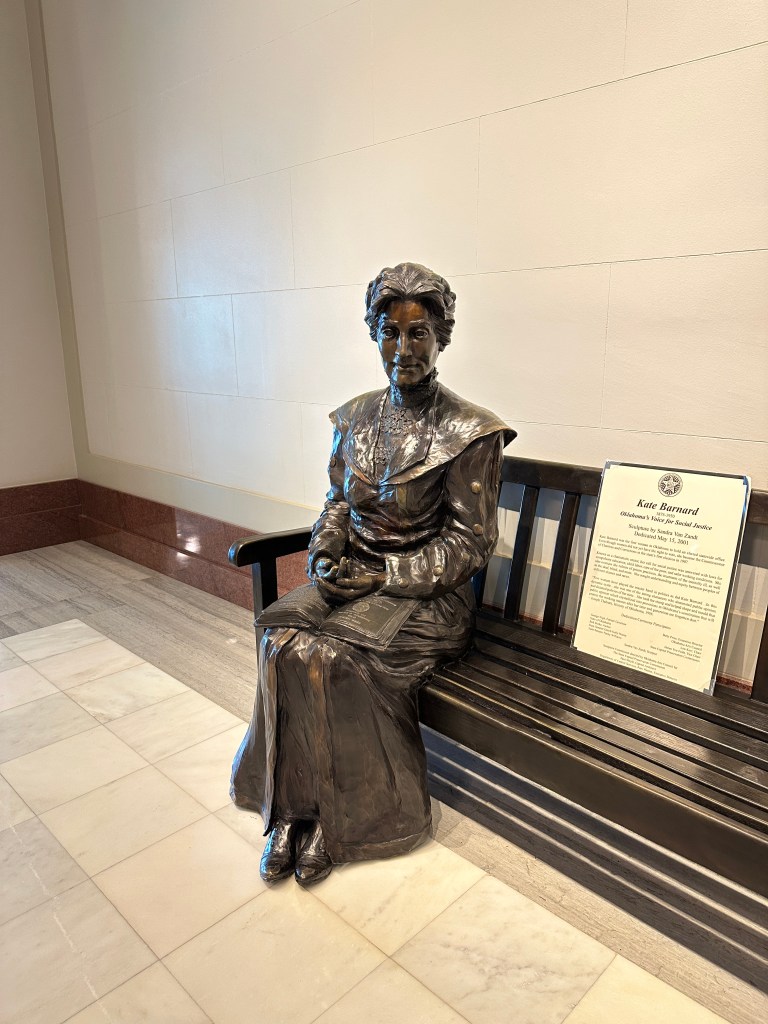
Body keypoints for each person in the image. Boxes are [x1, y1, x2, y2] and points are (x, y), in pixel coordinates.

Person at [231, 262, 515, 885]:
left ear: (443, 336)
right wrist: (325, 553)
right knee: (281, 643)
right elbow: (335, 503)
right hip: (354, 578)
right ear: (373, 334)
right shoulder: (353, 418)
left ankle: (352, 821)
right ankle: (291, 813)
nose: (404, 348)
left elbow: (469, 545)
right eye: (391, 332)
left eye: (420, 334)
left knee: (333, 661)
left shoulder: (470, 431)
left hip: (428, 597)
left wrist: (388, 574)